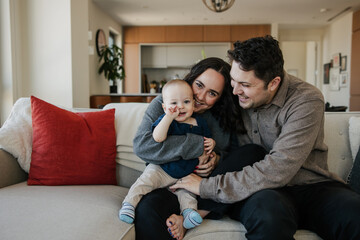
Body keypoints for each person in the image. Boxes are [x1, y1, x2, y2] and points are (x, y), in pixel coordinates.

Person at [170, 35, 360, 240]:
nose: (234, 90)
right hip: (259, 192)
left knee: (354, 212)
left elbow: (279, 168)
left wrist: (205, 187)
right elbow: (195, 103)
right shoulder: (234, 93)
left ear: (273, 83)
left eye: (244, 84)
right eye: (233, 81)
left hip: (311, 186)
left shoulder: (305, 99)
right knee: (269, 217)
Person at [133, 57, 267, 240]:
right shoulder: (166, 103)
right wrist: (198, 146)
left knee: (254, 152)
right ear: (191, 77)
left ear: (220, 98)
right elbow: (143, 147)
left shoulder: (224, 114)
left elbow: (236, 154)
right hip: (170, 181)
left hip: (208, 186)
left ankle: (194, 216)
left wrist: (216, 159)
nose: (200, 97)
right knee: (147, 208)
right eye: (199, 85)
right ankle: (190, 213)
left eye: (212, 93)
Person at [119, 79, 216, 231]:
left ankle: (189, 213)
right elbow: (157, 137)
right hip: (161, 169)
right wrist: (168, 117)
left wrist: (212, 144)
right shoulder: (166, 121)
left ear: (193, 103)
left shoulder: (200, 123)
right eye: (173, 104)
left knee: (188, 194)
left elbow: (207, 142)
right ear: (164, 107)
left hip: (186, 173)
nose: (180, 107)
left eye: (186, 101)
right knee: (145, 181)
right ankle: (129, 204)